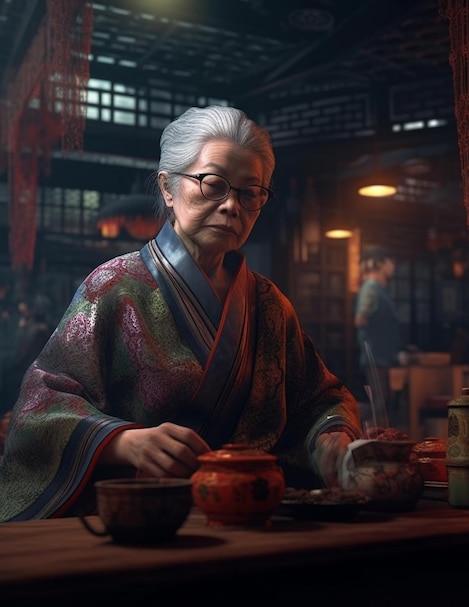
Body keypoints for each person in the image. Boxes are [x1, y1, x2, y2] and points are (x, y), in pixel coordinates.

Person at [0, 105, 362, 522]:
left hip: (254, 516)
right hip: (144, 517)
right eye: (213, 184)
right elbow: (40, 404)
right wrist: (122, 441)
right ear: (168, 188)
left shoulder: (269, 304)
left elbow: (319, 400)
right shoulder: (114, 287)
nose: (232, 206)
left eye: (250, 193)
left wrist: (332, 438)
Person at [353, 245, 403, 425]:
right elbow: (360, 319)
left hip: (382, 356)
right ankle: (346, 421)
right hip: (375, 355)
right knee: (378, 406)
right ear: (382, 264)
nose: (393, 266)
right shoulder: (372, 288)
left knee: (381, 405)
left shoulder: (378, 289)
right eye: (391, 262)